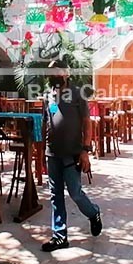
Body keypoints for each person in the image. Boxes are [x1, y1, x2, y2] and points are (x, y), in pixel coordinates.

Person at [41, 60, 102, 252]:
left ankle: (93, 213)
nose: (54, 75)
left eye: (58, 71)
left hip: (72, 153)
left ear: (66, 73)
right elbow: (46, 122)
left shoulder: (77, 94)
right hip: (52, 153)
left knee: (75, 192)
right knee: (55, 195)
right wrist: (42, 151)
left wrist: (85, 150)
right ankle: (60, 236)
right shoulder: (47, 96)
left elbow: (87, 122)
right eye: (51, 72)